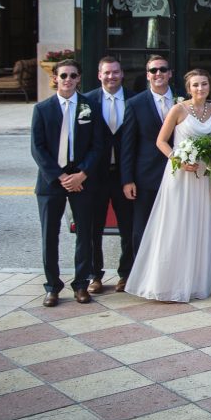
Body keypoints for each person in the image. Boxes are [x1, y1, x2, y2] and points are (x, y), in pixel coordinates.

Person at [126, 69, 211, 302]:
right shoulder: (178, 109)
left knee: (198, 225)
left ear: (209, 86)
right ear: (188, 88)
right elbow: (160, 141)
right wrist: (178, 159)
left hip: (202, 176)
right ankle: (167, 283)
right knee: (176, 225)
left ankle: (194, 281)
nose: (200, 89)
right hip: (180, 175)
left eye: (204, 84)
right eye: (195, 85)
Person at [31, 59, 105, 306]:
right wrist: (61, 177)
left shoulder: (90, 106)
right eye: (63, 75)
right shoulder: (42, 109)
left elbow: (98, 145)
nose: (68, 80)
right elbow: (37, 148)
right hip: (52, 181)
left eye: (73, 75)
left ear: (79, 78)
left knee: (85, 234)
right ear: (55, 78)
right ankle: (52, 286)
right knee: (49, 235)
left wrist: (82, 174)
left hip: (82, 179)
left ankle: (81, 284)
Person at [84, 56, 133, 294]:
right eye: (106, 73)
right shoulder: (88, 101)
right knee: (94, 228)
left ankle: (126, 274)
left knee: (128, 227)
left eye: (115, 72)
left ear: (122, 74)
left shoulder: (134, 99)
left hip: (125, 176)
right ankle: (95, 275)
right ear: (99, 75)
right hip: (96, 176)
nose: (111, 77)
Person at [121, 54, 174, 257]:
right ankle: (139, 275)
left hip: (177, 174)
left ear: (169, 73)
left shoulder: (184, 99)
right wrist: (127, 180)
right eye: (153, 70)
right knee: (142, 229)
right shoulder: (135, 103)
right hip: (146, 176)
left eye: (162, 69)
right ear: (147, 75)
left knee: (171, 227)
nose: (158, 73)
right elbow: (128, 145)